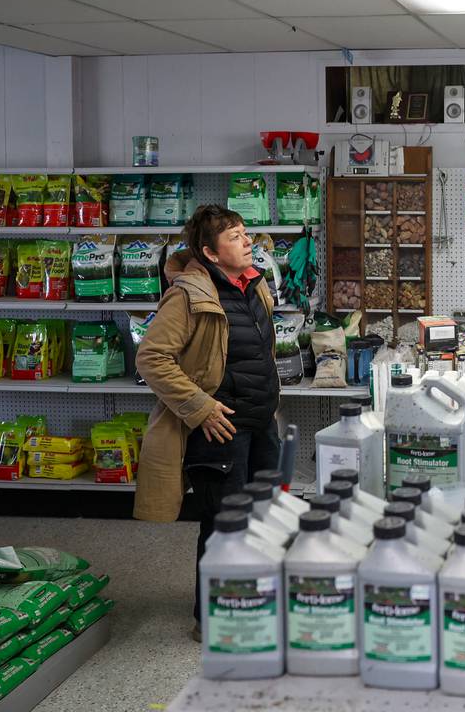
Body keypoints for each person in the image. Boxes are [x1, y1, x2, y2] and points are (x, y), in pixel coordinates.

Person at [132, 204, 280, 638]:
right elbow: (152, 358)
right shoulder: (187, 294)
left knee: (260, 520)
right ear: (210, 253)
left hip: (259, 423)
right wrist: (200, 407)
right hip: (221, 430)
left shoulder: (252, 285)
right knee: (225, 525)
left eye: (246, 233)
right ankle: (213, 619)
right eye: (235, 236)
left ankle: (250, 601)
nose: (247, 241)